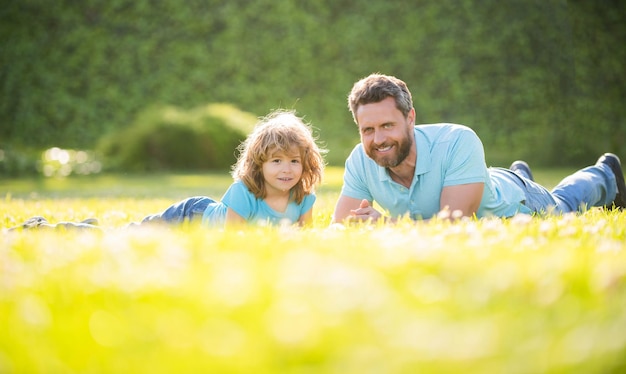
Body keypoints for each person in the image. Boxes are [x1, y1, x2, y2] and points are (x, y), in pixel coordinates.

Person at [332, 73, 626, 223]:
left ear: (410, 118)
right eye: (367, 130)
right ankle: (518, 173)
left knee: (562, 204)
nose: (378, 139)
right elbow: (341, 225)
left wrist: (384, 226)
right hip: (478, 180)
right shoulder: (361, 158)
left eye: (387, 126)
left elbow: (452, 224)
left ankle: (604, 175)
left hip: (516, 204)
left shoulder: (458, 140)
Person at [8, 110, 325, 231]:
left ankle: (87, 225)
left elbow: (305, 242)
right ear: (259, 164)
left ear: (305, 162)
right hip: (190, 216)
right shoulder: (246, 193)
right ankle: (52, 230)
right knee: (125, 240)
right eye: (276, 161)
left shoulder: (303, 199)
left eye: (294, 161)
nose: (287, 170)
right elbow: (233, 241)